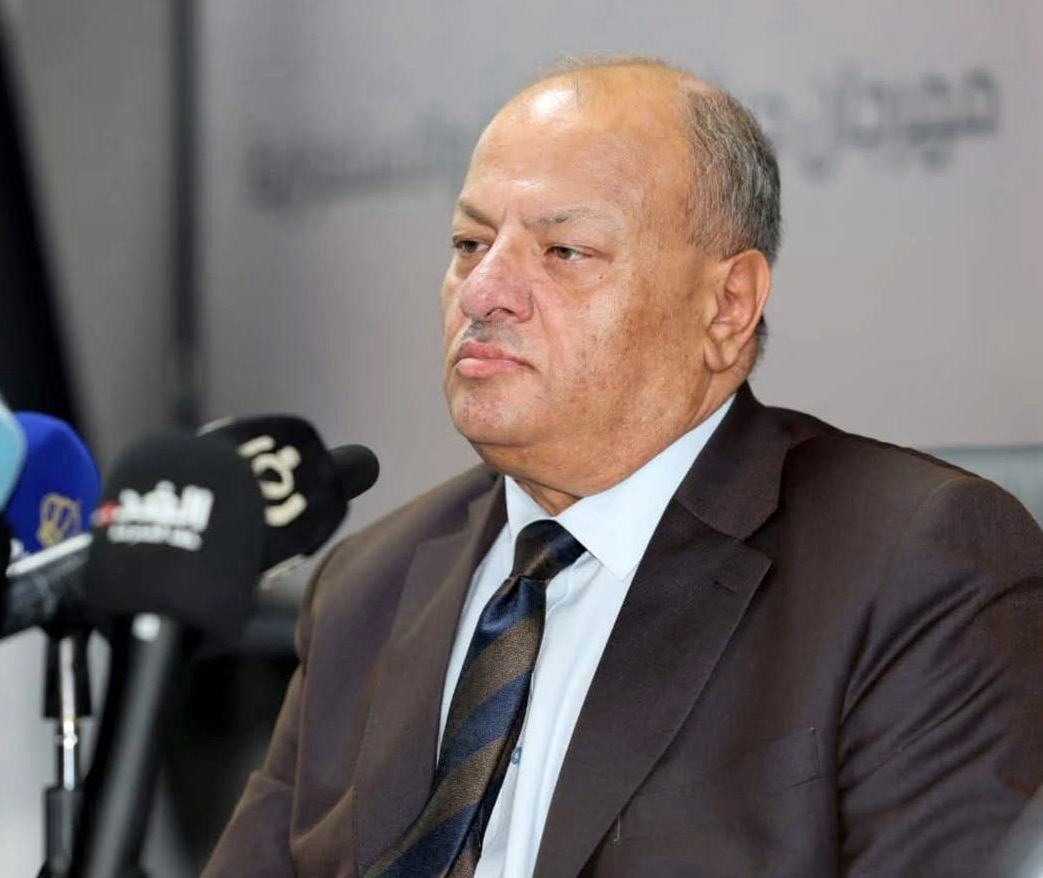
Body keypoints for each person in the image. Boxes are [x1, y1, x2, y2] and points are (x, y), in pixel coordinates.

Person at [202, 57, 1043, 877]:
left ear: (728, 306)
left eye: (563, 250)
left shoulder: (912, 566)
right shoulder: (365, 587)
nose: (482, 291)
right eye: (468, 242)